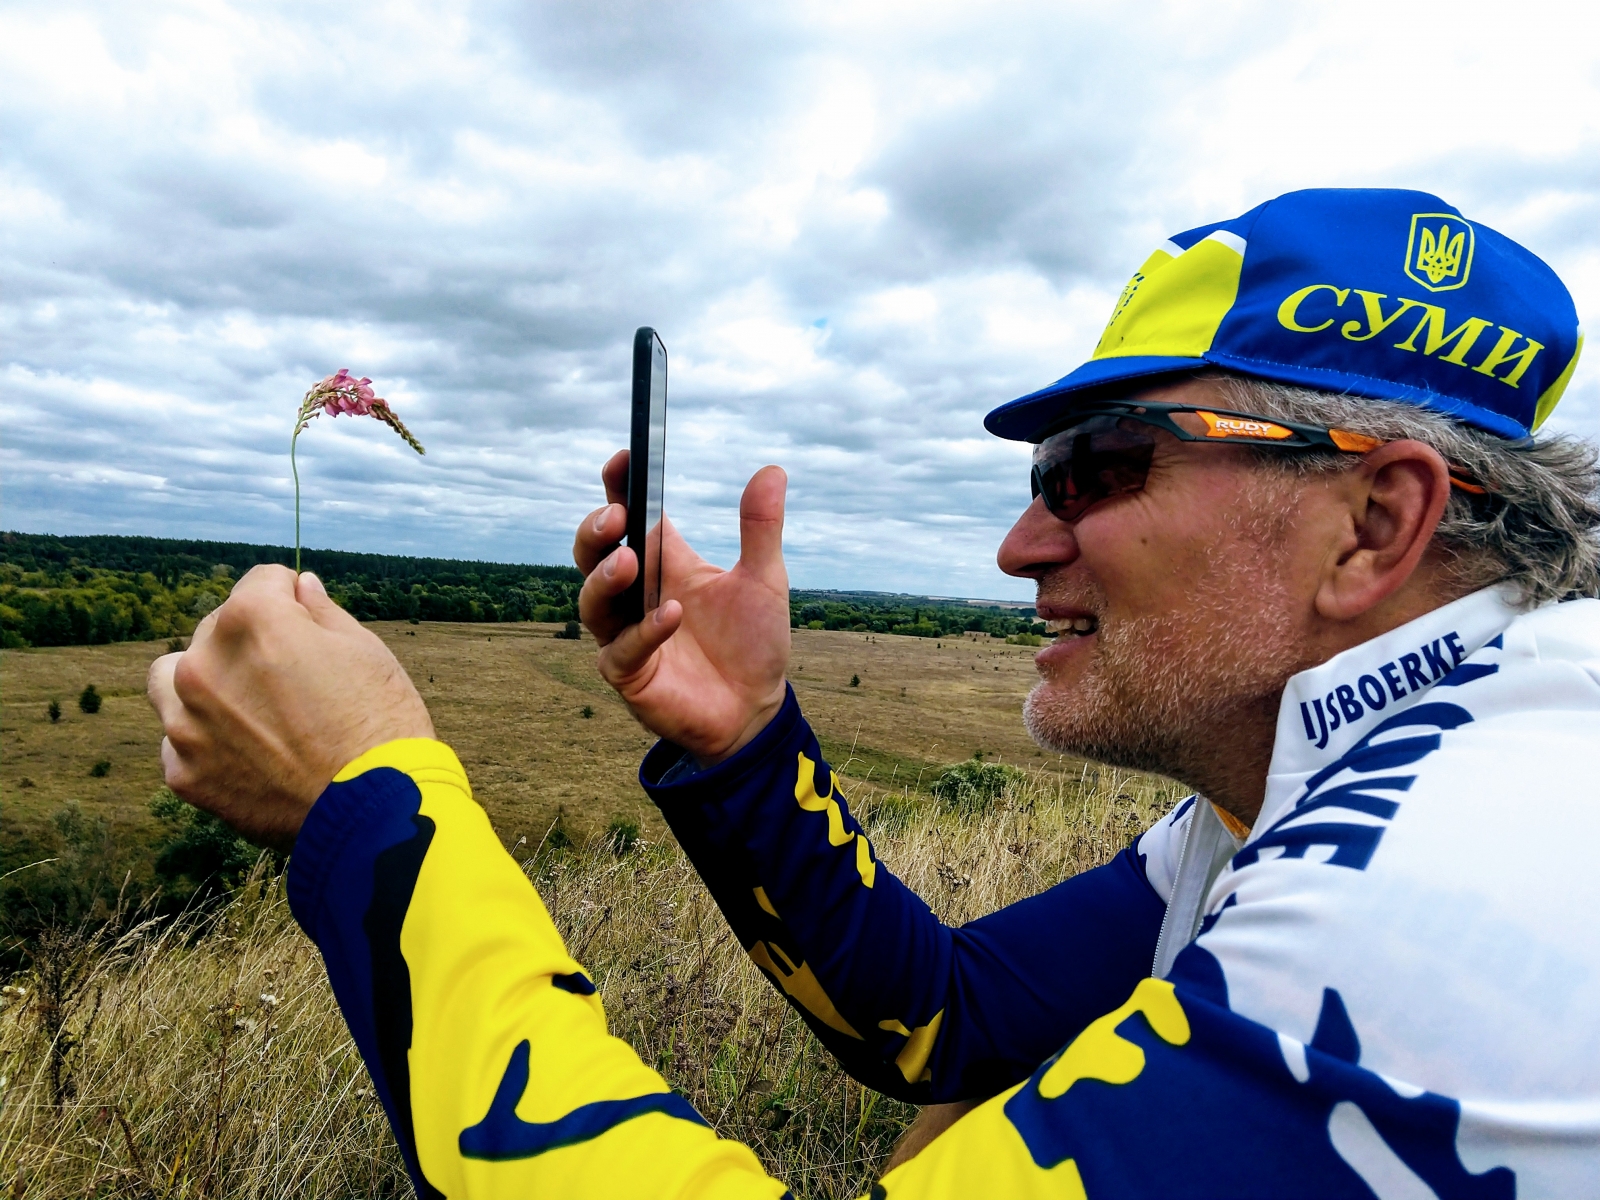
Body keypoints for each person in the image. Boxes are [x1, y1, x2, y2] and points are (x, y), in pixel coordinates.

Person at [150, 188, 1600, 1198]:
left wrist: (370, 807)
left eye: (1099, 470)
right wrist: (746, 746)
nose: (1021, 545)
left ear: (1374, 523)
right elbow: (947, 1019)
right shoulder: (1338, 775)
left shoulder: (1438, 892)